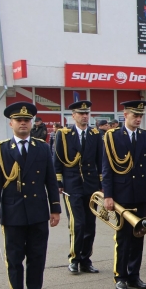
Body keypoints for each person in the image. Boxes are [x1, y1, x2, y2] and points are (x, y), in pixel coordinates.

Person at [0, 102, 61, 289]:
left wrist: (55, 209)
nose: (23, 123)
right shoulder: (1, 149)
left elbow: (50, 181)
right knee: (15, 260)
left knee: (37, 259)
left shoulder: (42, 148)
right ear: (11, 123)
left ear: (31, 123)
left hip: (38, 212)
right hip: (13, 214)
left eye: (26, 120)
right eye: (18, 120)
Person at [102, 100, 146, 289]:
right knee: (123, 237)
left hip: (139, 193)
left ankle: (134, 275)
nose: (138, 119)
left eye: (140, 116)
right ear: (125, 115)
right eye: (135, 115)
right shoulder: (113, 136)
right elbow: (107, 168)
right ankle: (120, 276)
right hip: (121, 194)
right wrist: (108, 195)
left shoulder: (145, 136)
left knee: (138, 235)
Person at [54, 100, 103, 275]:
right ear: (73, 116)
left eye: (86, 113)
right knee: (78, 224)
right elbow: (57, 159)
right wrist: (58, 182)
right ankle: (74, 259)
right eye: (81, 114)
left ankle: (85, 259)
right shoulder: (64, 134)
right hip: (72, 185)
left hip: (91, 185)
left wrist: (101, 184)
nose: (84, 116)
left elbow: (100, 160)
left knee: (90, 225)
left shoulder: (95, 134)